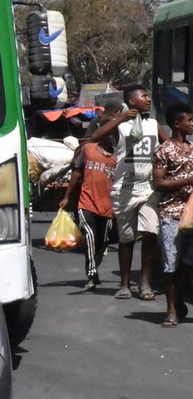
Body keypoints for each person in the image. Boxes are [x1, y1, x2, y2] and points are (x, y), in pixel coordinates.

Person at [91, 85, 167, 301]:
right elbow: (96, 136)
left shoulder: (153, 124)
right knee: (127, 238)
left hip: (149, 189)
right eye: (144, 96)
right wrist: (120, 119)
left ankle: (144, 282)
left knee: (150, 233)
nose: (148, 99)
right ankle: (124, 284)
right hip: (125, 189)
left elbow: (169, 146)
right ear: (132, 101)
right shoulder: (120, 126)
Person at [152, 103, 193, 328]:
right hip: (171, 213)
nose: (192, 124)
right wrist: (186, 181)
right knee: (171, 263)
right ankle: (171, 310)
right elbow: (159, 183)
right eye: (189, 120)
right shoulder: (164, 151)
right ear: (177, 124)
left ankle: (178, 293)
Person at [59, 108, 118, 291]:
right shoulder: (88, 150)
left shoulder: (118, 158)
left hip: (108, 207)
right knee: (90, 237)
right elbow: (77, 173)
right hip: (86, 203)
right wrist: (66, 197)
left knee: (104, 240)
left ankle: (94, 268)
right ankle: (91, 275)